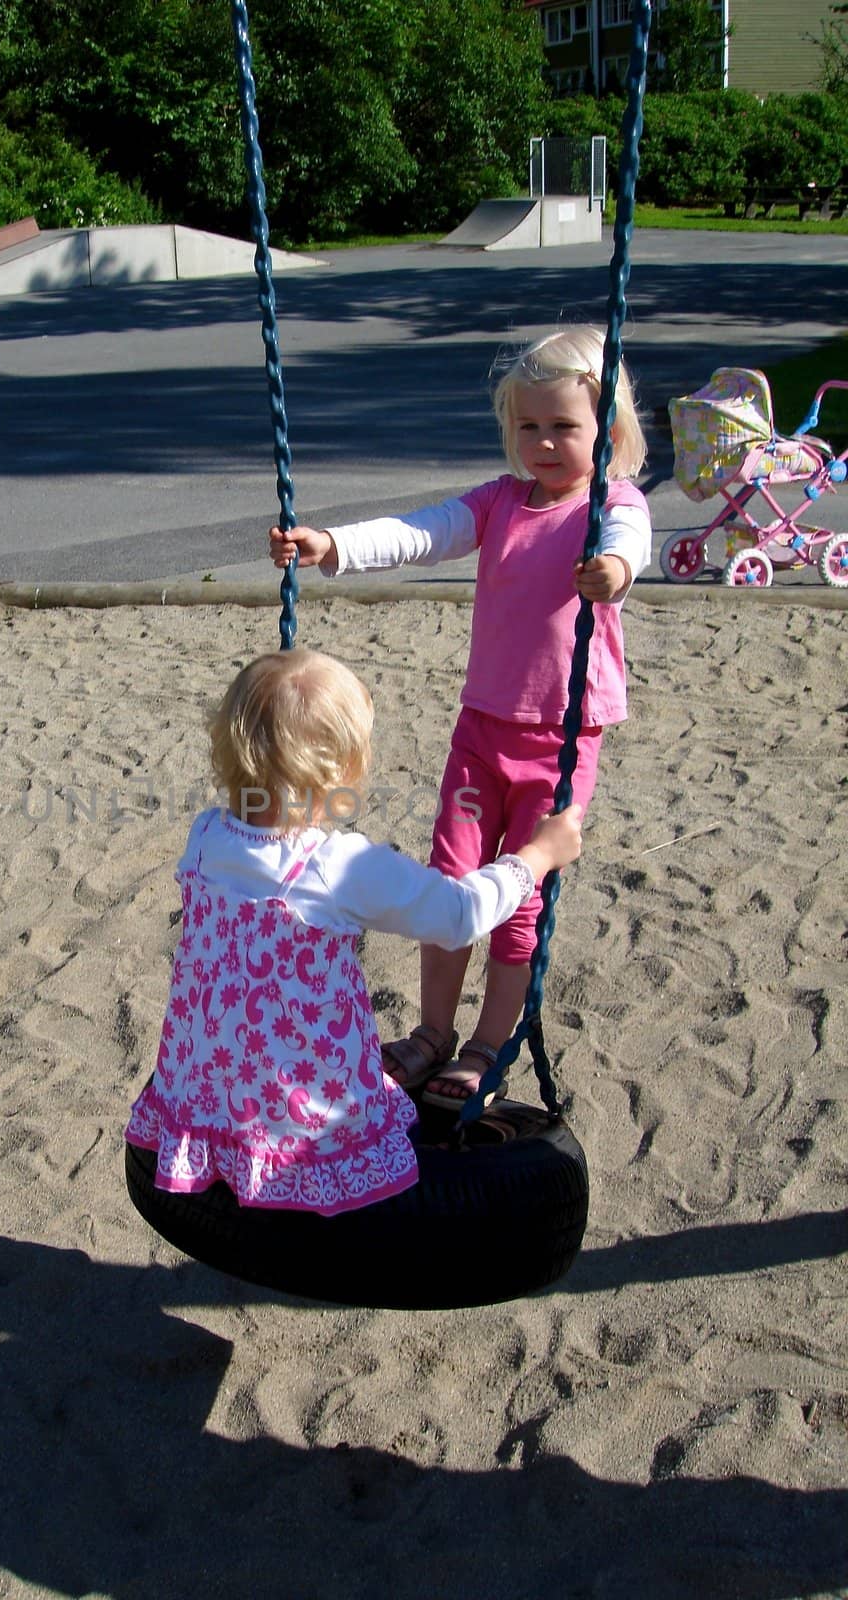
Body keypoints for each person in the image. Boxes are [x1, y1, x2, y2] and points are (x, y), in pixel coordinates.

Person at [267, 324, 650, 1111]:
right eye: (528, 426)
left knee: (520, 899)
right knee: (450, 883)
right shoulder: (500, 503)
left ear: (606, 431)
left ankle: (490, 1040)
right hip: (481, 733)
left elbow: (629, 543)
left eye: (565, 426)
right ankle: (435, 1030)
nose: (544, 443)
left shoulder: (612, 504)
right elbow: (421, 531)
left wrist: (612, 570)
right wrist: (331, 544)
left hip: (559, 742)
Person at [125, 648, 582, 1217]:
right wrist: (536, 856)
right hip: (306, 1118)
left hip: (209, 1100)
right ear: (340, 770)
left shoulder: (206, 836)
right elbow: (459, 915)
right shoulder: (337, 865)